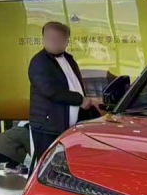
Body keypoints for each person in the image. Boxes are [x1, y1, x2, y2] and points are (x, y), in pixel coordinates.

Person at [27, 21, 100, 174]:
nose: (53, 42)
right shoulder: (39, 62)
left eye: (58, 39)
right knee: (50, 168)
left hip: (70, 124)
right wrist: (79, 100)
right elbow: (49, 90)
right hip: (49, 125)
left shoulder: (69, 59)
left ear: (67, 41)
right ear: (43, 38)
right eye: (50, 38)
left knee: (70, 167)